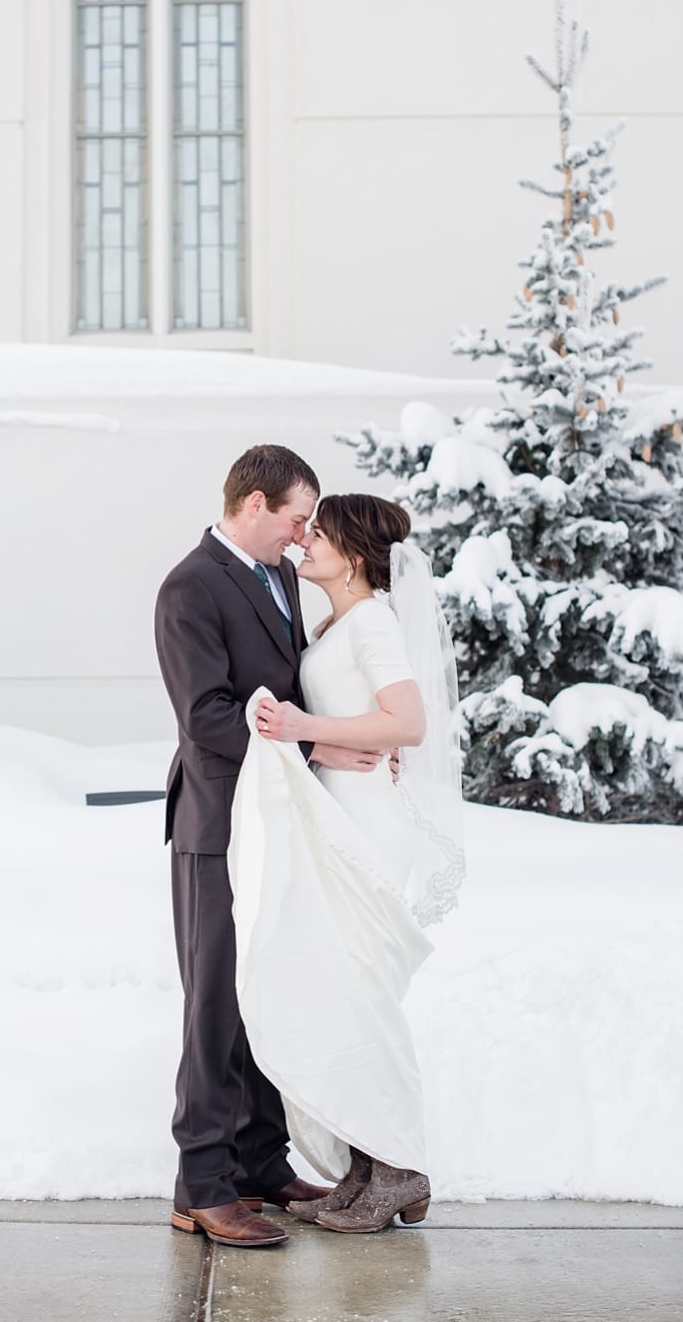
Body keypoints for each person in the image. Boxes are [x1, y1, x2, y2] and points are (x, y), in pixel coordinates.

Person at [150, 445, 397, 1249]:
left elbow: (293, 689)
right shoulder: (189, 587)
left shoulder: (281, 578)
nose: (301, 538)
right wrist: (319, 749)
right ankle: (203, 1184)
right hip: (219, 825)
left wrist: (350, 730)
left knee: (266, 995)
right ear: (252, 505)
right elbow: (208, 717)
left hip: (282, 821)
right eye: (294, 520)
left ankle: (260, 1163)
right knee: (216, 1003)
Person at [235, 493, 467, 1234]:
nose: (306, 544)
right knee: (345, 988)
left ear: (356, 557)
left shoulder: (371, 621)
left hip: (369, 818)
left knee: (362, 990)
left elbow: (409, 721)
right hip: (341, 810)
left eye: (320, 535)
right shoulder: (340, 621)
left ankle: (400, 1169)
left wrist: (307, 726)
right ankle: (367, 1168)